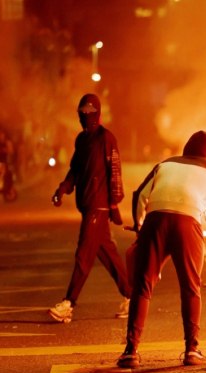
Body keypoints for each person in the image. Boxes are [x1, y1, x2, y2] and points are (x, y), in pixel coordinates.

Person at [117, 131, 206, 369]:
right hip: (187, 224)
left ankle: (130, 351)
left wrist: (140, 228)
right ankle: (191, 350)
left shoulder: (165, 164)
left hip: (155, 221)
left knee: (143, 286)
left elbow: (140, 196)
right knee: (191, 287)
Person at [48, 93, 131, 323]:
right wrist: (63, 188)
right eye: (82, 113)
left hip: (99, 206)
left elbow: (115, 171)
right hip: (87, 205)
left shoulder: (107, 139)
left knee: (83, 254)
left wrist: (114, 202)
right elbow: (75, 169)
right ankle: (131, 296)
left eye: (89, 112)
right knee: (107, 254)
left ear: (98, 113)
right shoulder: (82, 140)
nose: (86, 116)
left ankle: (69, 303)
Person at [0, 128, 16, 201]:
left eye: (2, 135)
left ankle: (7, 188)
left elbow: (11, 152)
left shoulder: (7, 143)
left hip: (5, 163)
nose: (1, 136)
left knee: (6, 175)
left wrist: (5, 150)